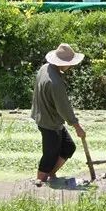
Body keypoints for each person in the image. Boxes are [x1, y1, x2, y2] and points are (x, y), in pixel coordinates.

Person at [30, 43, 86, 185]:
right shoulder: (55, 83)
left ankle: (50, 175)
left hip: (46, 117)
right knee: (50, 154)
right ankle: (40, 180)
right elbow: (64, 108)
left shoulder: (45, 68)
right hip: (49, 122)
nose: (70, 66)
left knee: (68, 147)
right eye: (69, 63)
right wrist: (77, 126)